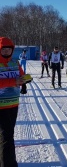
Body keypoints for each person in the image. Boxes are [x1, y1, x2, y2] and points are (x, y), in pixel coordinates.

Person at [0, 37, 29, 167]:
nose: (6, 52)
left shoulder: (14, 63)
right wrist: (14, 82)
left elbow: (21, 75)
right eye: (3, 49)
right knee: (7, 138)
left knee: (7, 135)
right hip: (1, 106)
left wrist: (24, 82)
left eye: (8, 49)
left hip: (13, 105)